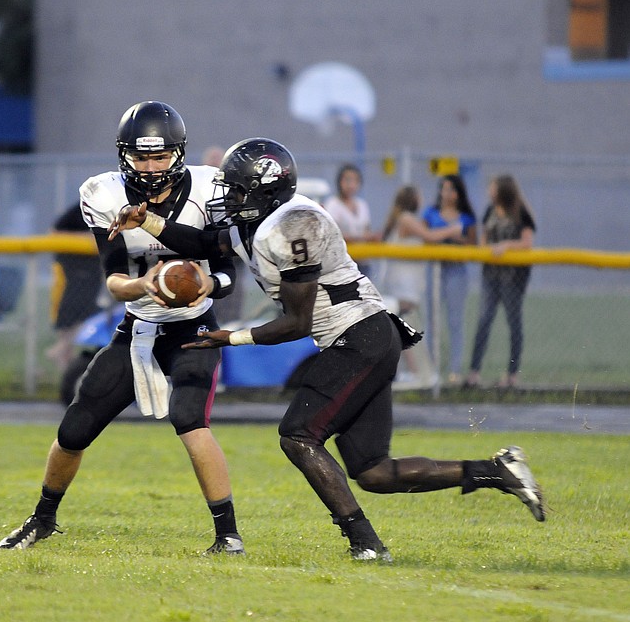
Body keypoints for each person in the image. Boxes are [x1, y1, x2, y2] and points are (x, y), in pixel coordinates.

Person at [111, 138, 545, 561]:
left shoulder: (296, 224)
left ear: (265, 189)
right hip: (360, 339)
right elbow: (206, 244)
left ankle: (366, 543)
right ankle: (496, 471)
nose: (229, 196)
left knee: (298, 435)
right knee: (374, 471)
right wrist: (146, 221)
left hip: (360, 337)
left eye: (239, 188)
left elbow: (297, 323)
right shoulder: (256, 223)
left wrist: (233, 338)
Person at [0, 101, 244, 555]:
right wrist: (142, 284)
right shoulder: (104, 193)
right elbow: (112, 278)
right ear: (122, 155)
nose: (151, 167)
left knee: (191, 420)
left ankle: (228, 534)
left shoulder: (210, 188)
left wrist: (210, 281)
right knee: (74, 429)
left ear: (179, 153)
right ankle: (43, 519)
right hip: (139, 328)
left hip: (194, 328)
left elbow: (230, 269)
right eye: (141, 157)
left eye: (160, 156)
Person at [377, 185, 462, 383]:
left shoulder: (406, 219)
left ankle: (409, 371)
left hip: (408, 282)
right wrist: (453, 229)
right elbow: (429, 236)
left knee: (404, 325)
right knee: (406, 325)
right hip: (402, 283)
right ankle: (416, 373)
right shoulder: (406, 218)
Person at [464, 175, 536, 390]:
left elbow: (527, 243)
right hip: (491, 276)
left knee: (514, 324)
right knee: (484, 321)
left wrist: (506, 246)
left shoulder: (521, 212)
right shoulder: (490, 211)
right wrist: (486, 248)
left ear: (503, 190)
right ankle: (474, 373)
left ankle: (512, 375)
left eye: (493, 188)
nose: (489, 191)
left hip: (512, 278)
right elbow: (484, 240)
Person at [420, 174, 477, 385]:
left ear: (458, 193)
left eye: (451, 189)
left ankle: (454, 370)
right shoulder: (431, 213)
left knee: (455, 321)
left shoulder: (466, 217)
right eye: (443, 189)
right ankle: (431, 370)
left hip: (456, 270)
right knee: (431, 320)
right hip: (434, 269)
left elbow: (473, 244)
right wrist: (442, 235)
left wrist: (454, 238)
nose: (447, 194)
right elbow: (423, 236)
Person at [44, 201, 103, 377]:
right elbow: (55, 233)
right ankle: (62, 353)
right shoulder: (81, 210)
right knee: (69, 314)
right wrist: (86, 238)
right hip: (72, 269)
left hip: (93, 270)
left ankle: (62, 351)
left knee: (89, 313)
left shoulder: (116, 211)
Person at [323, 163, 379, 275]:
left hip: (363, 261)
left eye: (355, 181)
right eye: (347, 180)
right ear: (339, 182)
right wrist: (361, 237)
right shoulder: (333, 204)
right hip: (342, 263)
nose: (351, 185)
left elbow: (366, 229)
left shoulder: (362, 204)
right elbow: (333, 234)